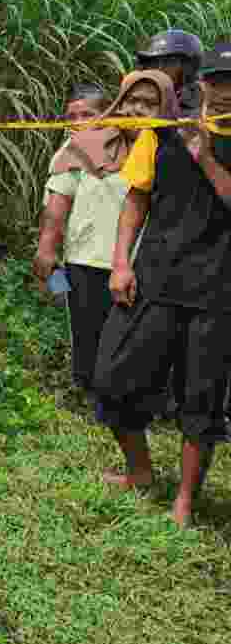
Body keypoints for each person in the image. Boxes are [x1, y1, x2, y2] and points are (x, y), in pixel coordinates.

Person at [93, 66, 231, 527]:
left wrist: (206, 156)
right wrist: (120, 261)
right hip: (154, 279)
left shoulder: (206, 139)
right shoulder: (161, 134)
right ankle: (140, 472)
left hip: (216, 290)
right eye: (218, 81)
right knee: (113, 377)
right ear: (203, 85)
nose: (225, 90)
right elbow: (136, 199)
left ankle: (184, 502)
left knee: (201, 400)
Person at [32, 84, 130, 394]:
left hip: (128, 261)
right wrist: (46, 251)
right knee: (87, 331)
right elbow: (55, 210)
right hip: (84, 261)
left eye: (88, 114)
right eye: (72, 115)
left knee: (128, 332)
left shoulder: (130, 147)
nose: (78, 121)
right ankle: (88, 392)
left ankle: (125, 393)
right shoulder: (69, 153)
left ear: (107, 114)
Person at [135, 29, 204, 119]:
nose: (159, 69)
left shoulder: (203, 108)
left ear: (189, 69)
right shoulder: (133, 97)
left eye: (169, 62)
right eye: (153, 63)